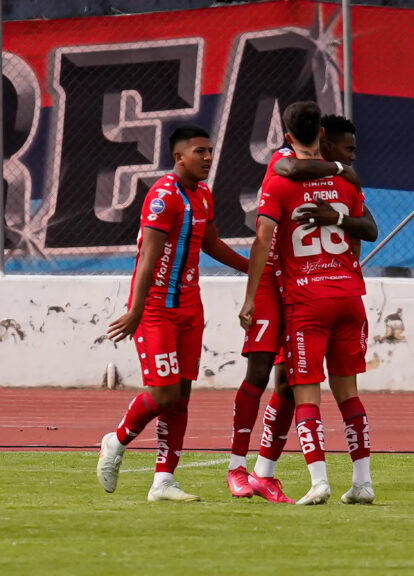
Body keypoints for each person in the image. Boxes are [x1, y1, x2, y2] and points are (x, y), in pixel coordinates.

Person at [227, 115, 378, 503]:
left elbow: (263, 238)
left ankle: (315, 481)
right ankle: (360, 482)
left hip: (304, 296)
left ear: (289, 135)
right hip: (346, 293)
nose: (352, 156)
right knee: (342, 392)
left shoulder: (282, 181)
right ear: (323, 138)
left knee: (300, 389)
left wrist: (248, 295)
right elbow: (365, 231)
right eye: (348, 150)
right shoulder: (343, 180)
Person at [98, 125, 248, 502]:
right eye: (200, 152)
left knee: (181, 396)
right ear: (178, 157)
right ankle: (116, 441)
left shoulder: (203, 195)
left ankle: (163, 481)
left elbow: (211, 243)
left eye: (210, 150)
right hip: (156, 310)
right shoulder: (163, 196)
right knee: (163, 394)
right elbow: (148, 257)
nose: (208, 157)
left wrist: (252, 267)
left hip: (190, 308)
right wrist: (135, 311)